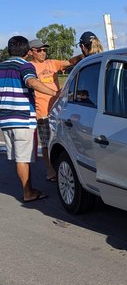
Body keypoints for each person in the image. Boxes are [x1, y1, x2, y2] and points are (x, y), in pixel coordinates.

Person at [0, 36, 59, 202]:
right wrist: (54, 93)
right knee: (23, 159)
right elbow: (31, 82)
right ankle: (28, 192)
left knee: (20, 159)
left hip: (5, 120)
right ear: (27, 52)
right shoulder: (25, 65)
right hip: (22, 118)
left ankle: (28, 189)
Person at [29, 39, 83, 181]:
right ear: (31, 52)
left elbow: (70, 62)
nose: (43, 52)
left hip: (59, 111)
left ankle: (63, 168)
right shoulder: (29, 67)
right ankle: (50, 170)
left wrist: (81, 56)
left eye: (44, 49)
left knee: (62, 140)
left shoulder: (52, 63)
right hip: (43, 113)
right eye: (39, 50)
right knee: (47, 142)